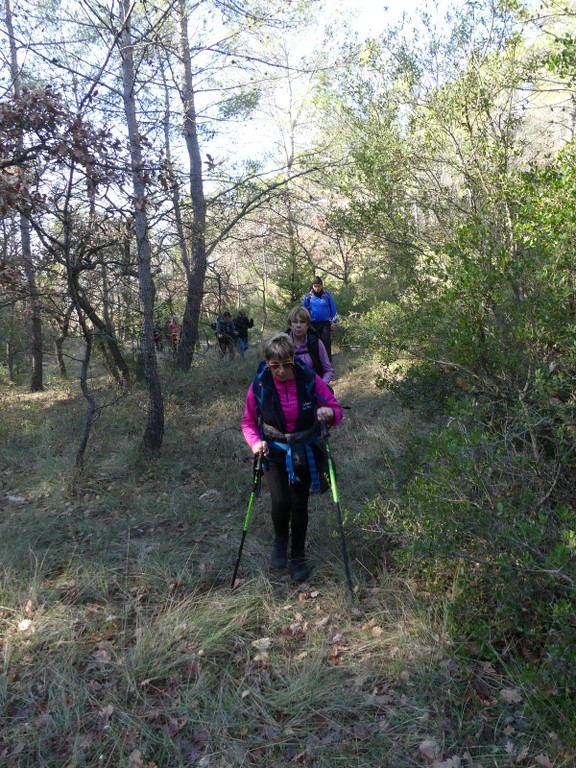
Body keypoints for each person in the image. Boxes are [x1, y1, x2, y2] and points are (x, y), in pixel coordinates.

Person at [241, 332, 343, 581]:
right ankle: (280, 538)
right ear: (267, 361)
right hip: (273, 450)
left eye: (287, 363)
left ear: (293, 358)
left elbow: (336, 409)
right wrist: (255, 443)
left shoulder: (309, 379)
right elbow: (248, 422)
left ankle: (298, 555)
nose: (282, 370)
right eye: (275, 365)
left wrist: (328, 412)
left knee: (299, 505)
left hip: (304, 448)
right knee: (281, 502)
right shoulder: (260, 385)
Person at [286, 306, 333, 385]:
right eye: (295, 322)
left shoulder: (315, 342)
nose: (298, 325)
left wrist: (321, 386)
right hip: (291, 391)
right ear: (290, 325)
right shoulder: (283, 343)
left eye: (302, 322)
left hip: (314, 388)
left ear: (307, 325)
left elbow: (328, 370)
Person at [302, 275, 338, 361]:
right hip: (313, 324)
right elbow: (303, 310)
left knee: (326, 342)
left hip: (325, 323)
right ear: (312, 286)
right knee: (314, 343)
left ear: (321, 285)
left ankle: (328, 363)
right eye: (315, 286)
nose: (317, 288)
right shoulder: (308, 296)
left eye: (319, 286)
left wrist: (334, 322)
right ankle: (316, 364)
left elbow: (333, 308)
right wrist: (304, 324)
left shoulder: (327, 294)